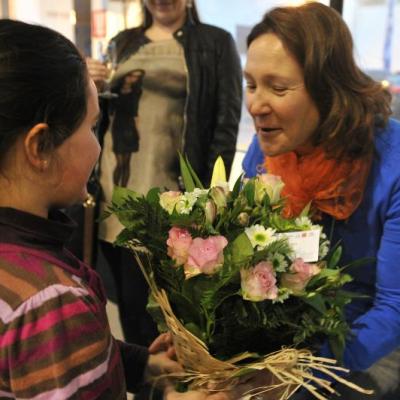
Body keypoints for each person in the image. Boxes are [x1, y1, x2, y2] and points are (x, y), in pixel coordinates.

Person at [0, 18, 228, 400]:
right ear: (39, 147)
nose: (98, 146)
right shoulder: (52, 301)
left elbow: (48, 363)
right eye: (92, 126)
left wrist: (139, 365)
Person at [241, 3, 400, 399]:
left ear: (330, 90)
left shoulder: (391, 160)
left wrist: (298, 372)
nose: (256, 105)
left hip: (370, 340)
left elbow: (394, 308)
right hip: (287, 336)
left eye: (278, 88)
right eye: (250, 84)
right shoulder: (264, 152)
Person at [87, 0, 242, 350]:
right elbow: (99, 119)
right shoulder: (123, 41)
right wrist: (90, 87)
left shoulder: (215, 43)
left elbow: (225, 127)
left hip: (173, 205)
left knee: (174, 316)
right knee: (130, 309)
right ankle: (147, 383)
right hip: (116, 199)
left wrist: (209, 203)